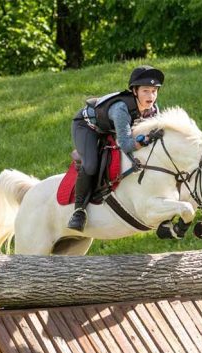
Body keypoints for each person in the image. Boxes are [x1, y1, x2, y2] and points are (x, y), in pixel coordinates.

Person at [67, 65, 165, 232]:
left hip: (110, 127)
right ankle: (79, 211)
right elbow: (126, 144)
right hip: (87, 127)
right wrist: (145, 140)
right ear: (135, 91)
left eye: (154, 91)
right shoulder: (121, 109)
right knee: (90, 165)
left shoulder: (153, 109)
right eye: (146, 91)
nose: (151, 96)